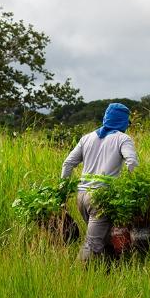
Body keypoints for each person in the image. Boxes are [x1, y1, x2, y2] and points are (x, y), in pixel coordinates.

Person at [61, 102, 139, 261]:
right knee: (93, 243)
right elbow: (132, 162)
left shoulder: (87, 138)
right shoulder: (122, 139)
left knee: (104, 238)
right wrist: (133, 189)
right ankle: (78, 277)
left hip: (82, 197)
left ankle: (107, 272)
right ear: (123, 122)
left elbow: (68, 164)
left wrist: (63, 191)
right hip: (100, 198)